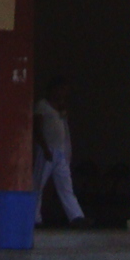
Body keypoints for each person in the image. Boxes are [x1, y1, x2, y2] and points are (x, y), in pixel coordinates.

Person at [33, 74, 87, 226]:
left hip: (60, 152)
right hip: (46, 150)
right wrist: (44, 148)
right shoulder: (42, 105)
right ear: (53, 89)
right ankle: (34, 218)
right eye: (61, 89)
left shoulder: (61, 108)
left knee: (65, 185)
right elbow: (37, 129)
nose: (63, 93)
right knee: (38, 184)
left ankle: (76, 216)